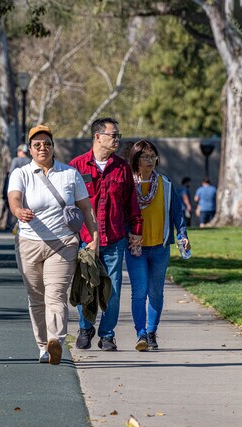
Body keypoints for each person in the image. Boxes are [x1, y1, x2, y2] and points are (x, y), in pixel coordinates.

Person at [8, 125, 99, 365]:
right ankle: (42, 346)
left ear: (53, 147)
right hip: (29, 243)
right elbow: (14, 197)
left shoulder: (69, 174)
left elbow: (85, 208)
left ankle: (55, 340)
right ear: (30, 149)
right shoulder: (22, 173)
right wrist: (19, 211)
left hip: (63, 243)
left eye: (47, 144)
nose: (42, 148)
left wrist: (94, 237)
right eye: (37, 144)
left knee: (56, 295)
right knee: (36, 297)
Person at [69, 118, 143, 352]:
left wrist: (136, 231)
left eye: (118, 135)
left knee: (112, 289)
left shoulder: (122, 168)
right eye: (113, 135)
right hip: (85, 239)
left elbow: (131, 203)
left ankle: (107, 335)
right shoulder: (77, 166)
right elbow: (68, 204)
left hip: (114, 239)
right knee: (85, 287)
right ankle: (85, 328)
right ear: (98, 136)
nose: (117, 139)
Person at [125, 140, 190, 351]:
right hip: (136, 248)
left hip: (160, 247)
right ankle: (140, 334)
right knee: (139, 292)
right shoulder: (128, 185)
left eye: (153, 156)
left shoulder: (165, 183)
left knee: (156, 292)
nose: (150, 160)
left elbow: (177, 213)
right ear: (136, 159)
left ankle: (151, 331)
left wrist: (182, 235)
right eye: (145, 156)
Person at [2, 144, 31, 229]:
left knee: (13, 204)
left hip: (16, 187)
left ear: (21, 151)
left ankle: (11, 224)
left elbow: (11, 173)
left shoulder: (15, 160)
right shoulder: (29, 160)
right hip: (27, 187)